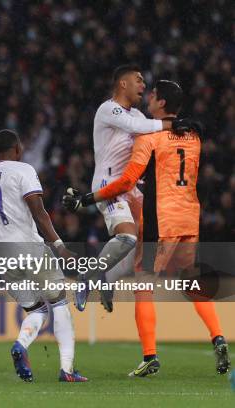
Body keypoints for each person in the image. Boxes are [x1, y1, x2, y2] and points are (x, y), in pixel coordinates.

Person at [63, 80, 230, 377]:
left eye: (152, 95)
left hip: (161, 218)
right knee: (190, 281)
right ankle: (218, 337)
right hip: (190, 216)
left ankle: (150, 356)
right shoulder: (193, 135)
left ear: (162, 103)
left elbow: (127, 182)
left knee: (143, 283)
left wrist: (87, 200)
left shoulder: (150, 139)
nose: (147, 99)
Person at [72, 64, 194, 312]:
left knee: (142, 244)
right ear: (122, 84)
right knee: (126, 236)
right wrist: (171, 124)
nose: (143, 85)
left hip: (132, 186)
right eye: (138, 80)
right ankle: (88, 276)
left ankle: (107, 278)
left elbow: (153, 136)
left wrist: (187, 131)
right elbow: (142, 128)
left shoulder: (138, 116)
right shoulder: (108, 110)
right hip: (110, 184)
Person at [0, 129, 87, 383]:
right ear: (16, 149)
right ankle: (67, 370)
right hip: (28, 246)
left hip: (1, 254)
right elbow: (39, 211)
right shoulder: (22, 170)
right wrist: (59, 245)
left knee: (36, 309)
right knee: (58, 303)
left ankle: (21, 345)